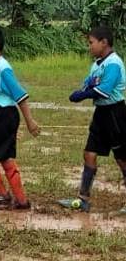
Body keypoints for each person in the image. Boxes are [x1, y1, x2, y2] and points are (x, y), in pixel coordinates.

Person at [59, 26, 126, 212]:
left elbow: (104, 90)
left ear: (104, 42)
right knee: (89, 153)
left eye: (91, 43)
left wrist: (82, 95)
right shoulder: (97, 64)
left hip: (115, 114)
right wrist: (81, 91)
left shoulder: (114, 63)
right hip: (101, 115)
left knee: (121, 158)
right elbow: (89, 83)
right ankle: (83, 199)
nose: (89, 47)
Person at [0, 27, 39, 209]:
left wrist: (30, 121)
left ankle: (2, 195)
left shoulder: (3, 68)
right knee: (6, 157)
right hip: (0, 115)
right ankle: (21, 200)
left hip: (4, 115)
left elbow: (20, 95)